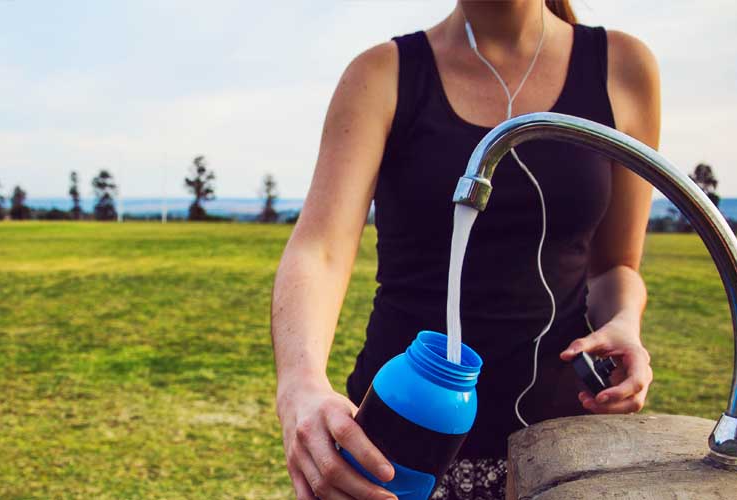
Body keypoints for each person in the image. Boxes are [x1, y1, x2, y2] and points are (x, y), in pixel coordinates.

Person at [270, 0, 660, 498]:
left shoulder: (622, 67)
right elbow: (320, 250)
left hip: (565, 446)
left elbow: (616, 267)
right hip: (396, 449)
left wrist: (624, 322)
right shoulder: (382, 74)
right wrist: (300, 384)